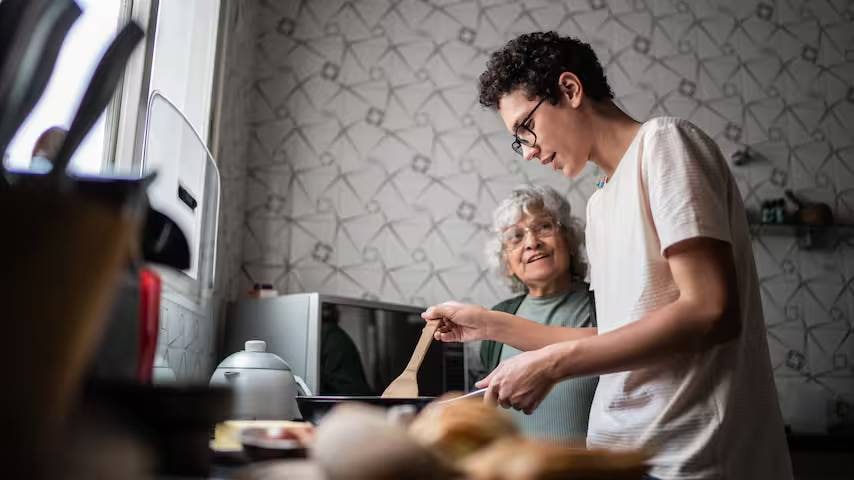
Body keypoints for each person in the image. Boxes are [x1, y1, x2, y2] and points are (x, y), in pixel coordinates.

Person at [423, 32, 792, 479]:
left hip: (691, 456)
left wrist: (554, 366)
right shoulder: (599, 202)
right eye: (517, 140)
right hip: (620, 454)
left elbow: (711, 309)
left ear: (570, 90)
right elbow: (617, 335)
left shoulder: (664, 144)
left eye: (527, 127)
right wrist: (488, 323)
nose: (530, 150)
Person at [477, 184, 597, 443]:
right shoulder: (497, 319)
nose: (532, 242)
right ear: (506, 262)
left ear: (569, 240)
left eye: (544, 226)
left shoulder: (603, 304)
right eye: (516, 237)